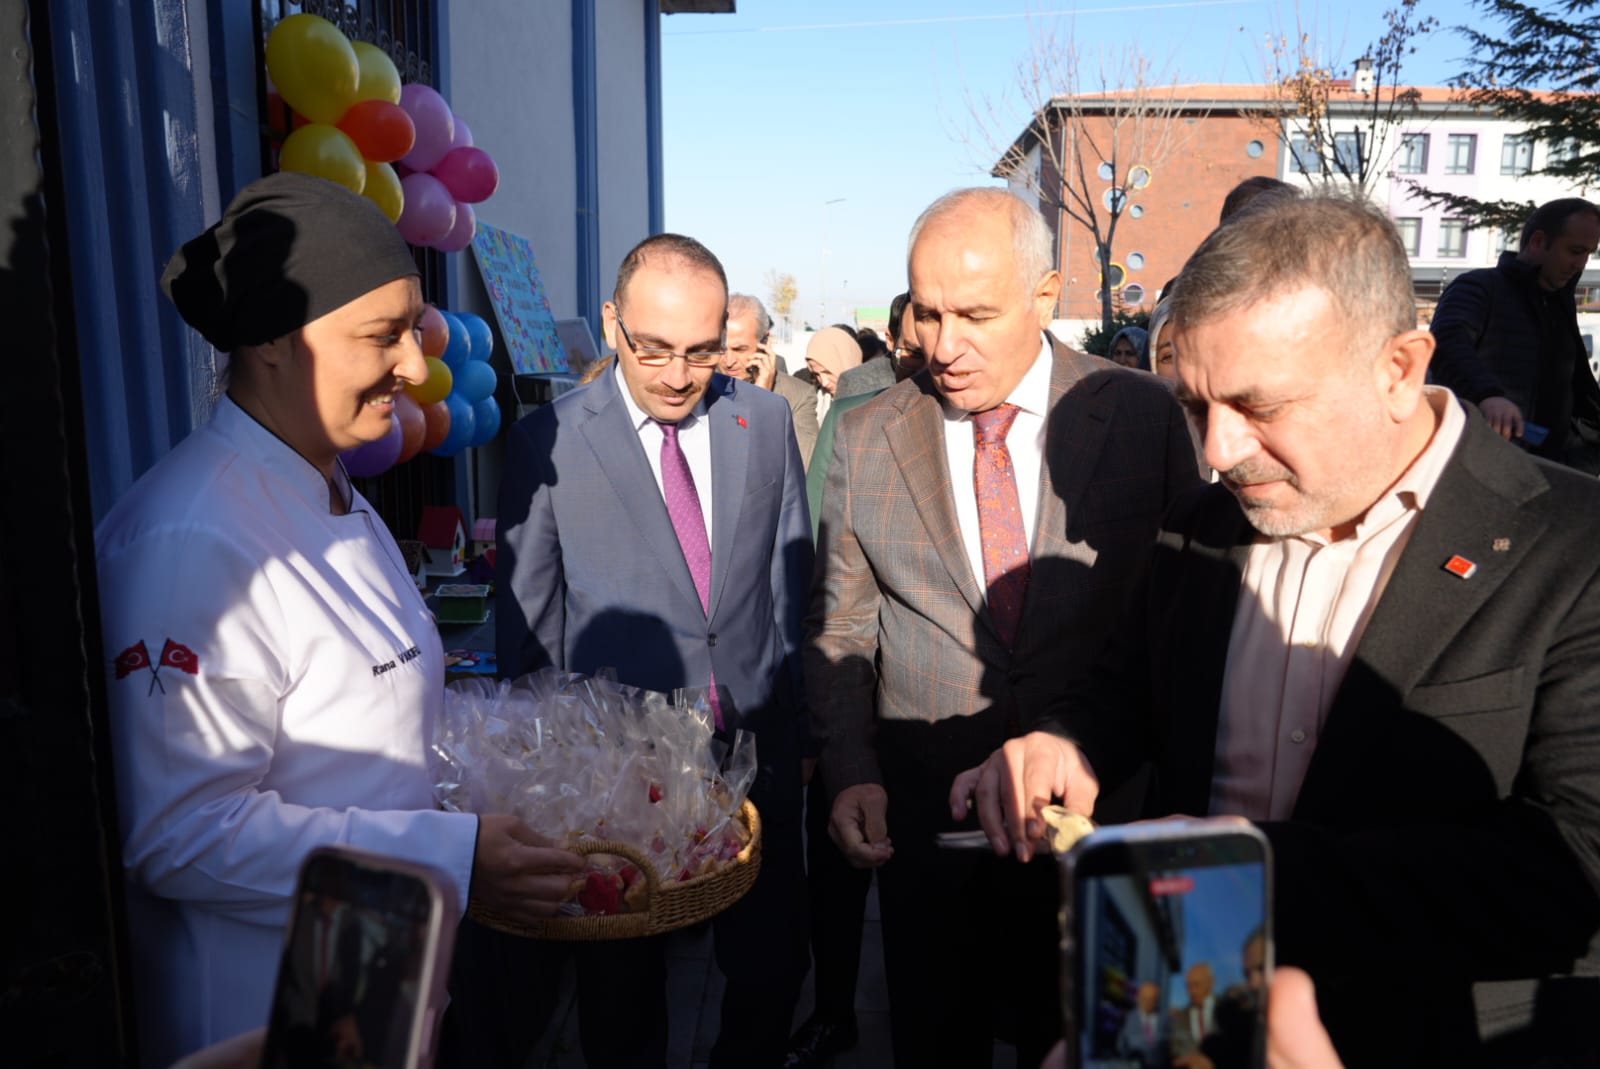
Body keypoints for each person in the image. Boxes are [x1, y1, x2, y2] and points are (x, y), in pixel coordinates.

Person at [956, 192, 1600, 1066]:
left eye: (1259, 406)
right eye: (1195, 407)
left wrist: (1245, 872)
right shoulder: (1201, 522)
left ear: (1399, 368)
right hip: (1183, 1018)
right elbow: (1131, 686)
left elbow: (1578, 863)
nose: (1218, 451)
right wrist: (1067, 740)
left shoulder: (1575, 547)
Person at [96, 171, 583, 1067]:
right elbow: (181, 835)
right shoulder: (191, 538)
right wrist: (452, 855)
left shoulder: (338, 493)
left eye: (414, 330)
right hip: (260, 1016)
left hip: (369, 985)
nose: (416, 366)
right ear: (273, 341)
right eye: (383, 335)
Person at [805, 187, 1202, 1068]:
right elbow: (840, 625)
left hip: (1101, 814)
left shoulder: (1141, 416)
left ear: (1046, 295)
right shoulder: (868, 436)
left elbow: (1182, 618)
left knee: (1093, 1043)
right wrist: (851, 768)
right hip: (928, 826)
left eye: (976, 315)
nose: (943, 345)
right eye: (926, 312)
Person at [466, 232, 813, 1068]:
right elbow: (530, 633)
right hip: (618, 784)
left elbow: (789, 582)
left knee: (770, 969)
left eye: (702, 350)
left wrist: (798, 725)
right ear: (612, 322)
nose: (679, 374)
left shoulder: (764, 420)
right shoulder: (547, 441)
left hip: (755, 752)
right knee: (621, 1001)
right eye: (653, 348)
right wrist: (554, 784)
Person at [1429, 197, 1600, 473]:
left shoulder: (1559, 303)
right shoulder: (1479, 287)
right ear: (1538, 241)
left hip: (1551, 469)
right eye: (1575, 251)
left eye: (1588, 253)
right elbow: (1447, 344)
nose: (1580, 264)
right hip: (1483, 464)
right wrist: (1487, 396)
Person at [804, 291, 927, 537]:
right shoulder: (848, 412)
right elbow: (817, 516)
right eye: (915, 355)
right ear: (891, 341)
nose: (932, 369)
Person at [725, 292, 819, 467]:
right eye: (721, 348)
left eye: (740, 350)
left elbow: (806, 463)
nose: (729, 361)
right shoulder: (701, 387)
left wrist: (764, 402)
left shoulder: (799, 395)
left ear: (765, 341)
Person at [800, 324, 863, 425]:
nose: (824, 383)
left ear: (846, 362)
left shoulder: (873, 401)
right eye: (817, 374)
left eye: (828, 372)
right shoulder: (814, 401)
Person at [1117, 981, 1171, 1067]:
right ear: (1138, 998)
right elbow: (1121, 1044)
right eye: (1144, 998)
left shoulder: (1166, 1019)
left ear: (1157, 1000)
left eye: (1152, 999)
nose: (1148, 1003)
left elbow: (1170, 1046)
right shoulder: (1129, 1018)